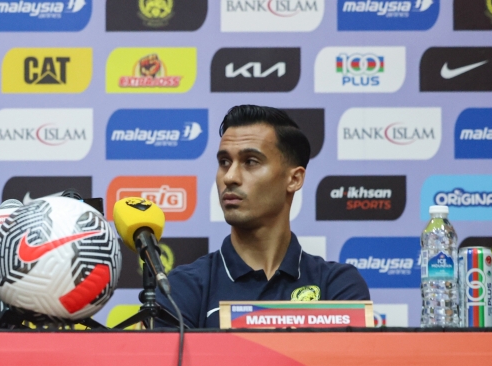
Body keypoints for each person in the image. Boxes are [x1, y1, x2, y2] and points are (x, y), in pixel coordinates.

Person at [157, 105, 369, 329]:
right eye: (224, 162)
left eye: (250, 162)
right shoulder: (182, 288)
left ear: (294, 179)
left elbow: (347, 364)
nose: (230, 177)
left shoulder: (337, 285)